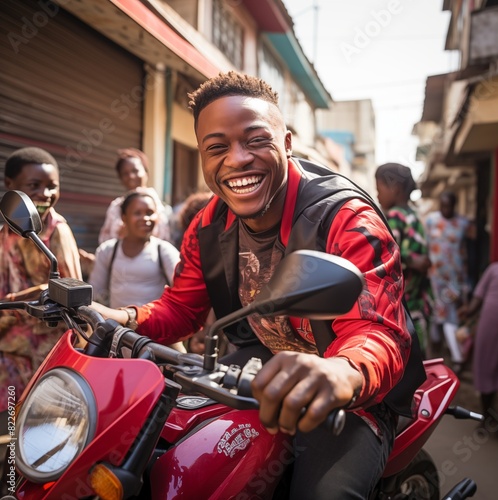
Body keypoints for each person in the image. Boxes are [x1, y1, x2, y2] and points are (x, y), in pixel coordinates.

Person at [93, 71, 424, 498]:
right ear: (203, 159)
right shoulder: (208, 224)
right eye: (217, 147)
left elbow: (376, 332)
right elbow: (181, 309)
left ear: (286, 143)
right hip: (261, 359)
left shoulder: (347, 218)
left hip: (350, 392)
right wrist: (116, 317)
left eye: (255, 140)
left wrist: (339, 372)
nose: (237, 159)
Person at [0, 147, 82, 412]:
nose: (45, 194)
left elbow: (72, 288)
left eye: (51, 187)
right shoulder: (6, 231)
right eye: (34, 185)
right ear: (10, 186)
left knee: (43, 422)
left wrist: (16, 300)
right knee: (11, 425)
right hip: (10, 348)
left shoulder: (57, 231)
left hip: (46, 349)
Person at [89, 190, 185, 353]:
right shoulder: (107, 251)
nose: (145, 219)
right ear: (124, 218)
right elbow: (94, 292)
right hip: (118, 338)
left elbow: (184, 292)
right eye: (137, 213)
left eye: (150, 213)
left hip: (156, 340)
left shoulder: (164, 251)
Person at [375, 162, 433, 355]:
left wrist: (409, 260)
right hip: (418, 301)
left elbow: (389, 255)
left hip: (402, 305)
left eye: (379, 188)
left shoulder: (394, 217)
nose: (377, 195)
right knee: (420, 355)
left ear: (395, 188)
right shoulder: (414, 214)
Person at [425, 190, 470, 372]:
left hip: (455, 278)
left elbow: (468, 251)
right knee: (440, 314)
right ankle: (448, 356)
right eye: (443, 205)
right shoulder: (431, 221)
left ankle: (454, 357)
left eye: (449, 205)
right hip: (435, 278)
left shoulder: (463, 224)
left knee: (449, 315)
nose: (446, 209)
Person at [98, 148, 172, 244]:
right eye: (125, 173)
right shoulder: (115, 207)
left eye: (135, 170)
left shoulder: (160, 207)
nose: (131, 176)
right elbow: (104, 240)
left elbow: (165, 238)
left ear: (146, 172)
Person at [458, 262, 498, 428]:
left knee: (486, 368)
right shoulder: (493, 269)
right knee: (488, 369)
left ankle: (488, 418)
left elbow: (476, 302)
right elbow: (477, 300)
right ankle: (489, 418)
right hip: (489, 326)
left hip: (489, 325)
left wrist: (466, 311)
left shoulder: (493, 269)